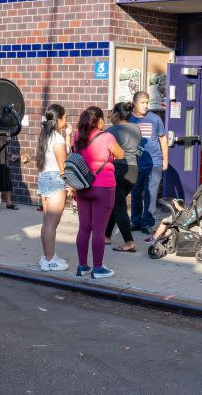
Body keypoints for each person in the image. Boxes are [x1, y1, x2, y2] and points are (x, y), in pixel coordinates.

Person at [71, 106, 124, 279]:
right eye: (103, 119)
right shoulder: (107, 137)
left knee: (84, 227)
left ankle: (82, 266)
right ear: (99, 120)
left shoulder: (78, 136)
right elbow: (121, 154)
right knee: (99, 229)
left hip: (82, 186)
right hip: (104, 187)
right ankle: (98, 268)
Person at [35, 104, 70, 271]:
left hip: (44, 178)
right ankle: (49, 260)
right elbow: (64, 166)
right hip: (55, 179)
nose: (66, 120)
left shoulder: (45, 136)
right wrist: (70, 185)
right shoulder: (58, 138)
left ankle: (47, 256)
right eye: (65, 117)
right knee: (52, 224)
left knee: (46, 222)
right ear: (60, 119)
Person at [105, 102, 141, 253]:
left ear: (116, 114)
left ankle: (129, 241)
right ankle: (106, 235)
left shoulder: (111, 131)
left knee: (119, 206)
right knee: (116, 202)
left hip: (119, 169)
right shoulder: (136, 129)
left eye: (112, 113)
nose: (110, 116)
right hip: (133, 170)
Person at [130, 91, 168, 234]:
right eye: (142, 102)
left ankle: (147, 223)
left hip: (154, 163)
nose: (146, 105)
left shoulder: (155, 119)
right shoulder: (129, 120)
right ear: (134, 103)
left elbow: (163, 139)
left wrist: (165, 159)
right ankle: (136, 221)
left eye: (147, 102)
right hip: (135, 164)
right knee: (136, 193)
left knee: (151, 194)